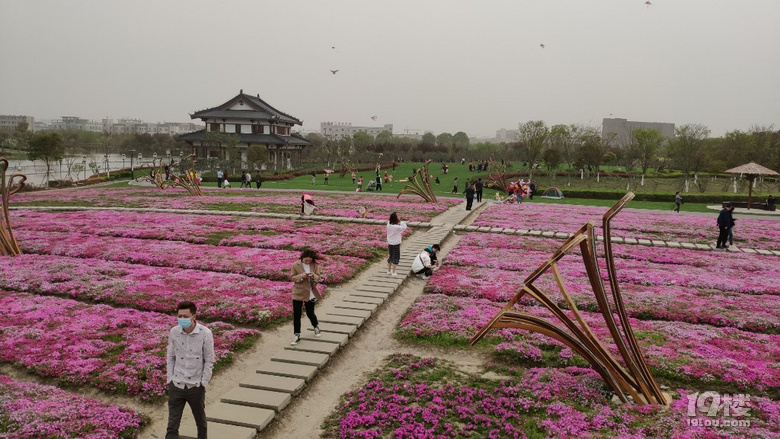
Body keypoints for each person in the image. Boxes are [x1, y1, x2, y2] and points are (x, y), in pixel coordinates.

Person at [166, 301, 214, 439]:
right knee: (172, 425)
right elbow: (170, 356)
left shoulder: (205, 333)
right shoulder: (174, 332)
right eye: (179, 316)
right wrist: (170, 379)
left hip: (195, 386)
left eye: (185, 316)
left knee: (201, 422)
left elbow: (209, 359)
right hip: (176, 384)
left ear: (194, 316)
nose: (181, 319)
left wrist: (203, 382)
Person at [289, 250, 323, 345]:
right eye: (306, 260)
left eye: (309, 260)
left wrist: (313, 275)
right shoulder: (296, 265)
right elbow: (292, 277)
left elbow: (318, 277)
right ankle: (297, 335)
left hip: (310, 293)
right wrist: (301, 276)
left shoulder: (314, 265)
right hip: (298, 292)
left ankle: (316, 327)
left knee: (310, 313)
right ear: (302, 258)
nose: (308, 262)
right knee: (297, 314)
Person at [386, 212, 407, 277]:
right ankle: (394, 272)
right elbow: (405, 226)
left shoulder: (388, 224)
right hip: (395, 244)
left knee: (390, 256)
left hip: (390, 243)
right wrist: (400, 221)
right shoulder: (397, 227)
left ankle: (389, 271)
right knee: (395, 257)